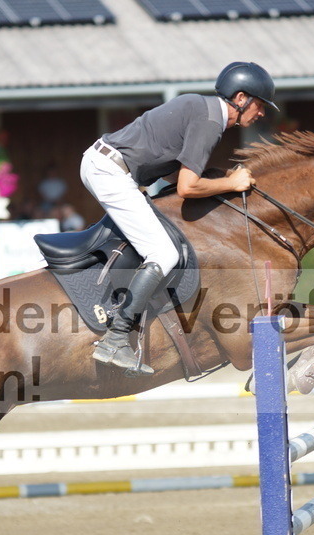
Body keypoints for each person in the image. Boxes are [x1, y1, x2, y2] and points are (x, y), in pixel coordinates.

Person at [81, 61, 276, 375]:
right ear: (241, 98)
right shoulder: (210, 121)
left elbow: (172, 173)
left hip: (106, 164)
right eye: (261, 104)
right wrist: (232, 183)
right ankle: (115, 339)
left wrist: (218, 181)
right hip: (110, 171)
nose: (262, 113)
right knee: (164, 253)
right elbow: (187, 187)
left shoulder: (202, 110)